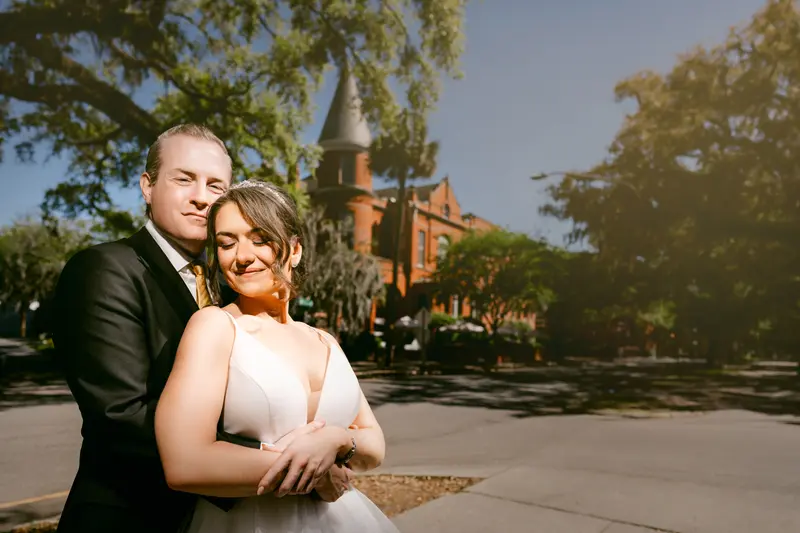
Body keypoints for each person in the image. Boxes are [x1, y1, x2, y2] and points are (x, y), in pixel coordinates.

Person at [53, 124, 352, 533]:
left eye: (216, 185)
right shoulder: (105, 270)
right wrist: (297, 465)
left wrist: (333, 440)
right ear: (147, 186)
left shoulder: (231, 285)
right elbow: (122, 416)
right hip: (133, 517)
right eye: (184, 179)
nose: (201, 197)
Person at [155, 180, 400, 532]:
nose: (242, 256)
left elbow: (373, 444)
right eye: (226, 243)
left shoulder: (324, 340)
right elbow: (184, 464)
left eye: (260, 239)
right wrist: (316, 473)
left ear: (295, 250)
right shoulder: (215, 327)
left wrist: (335, 440)